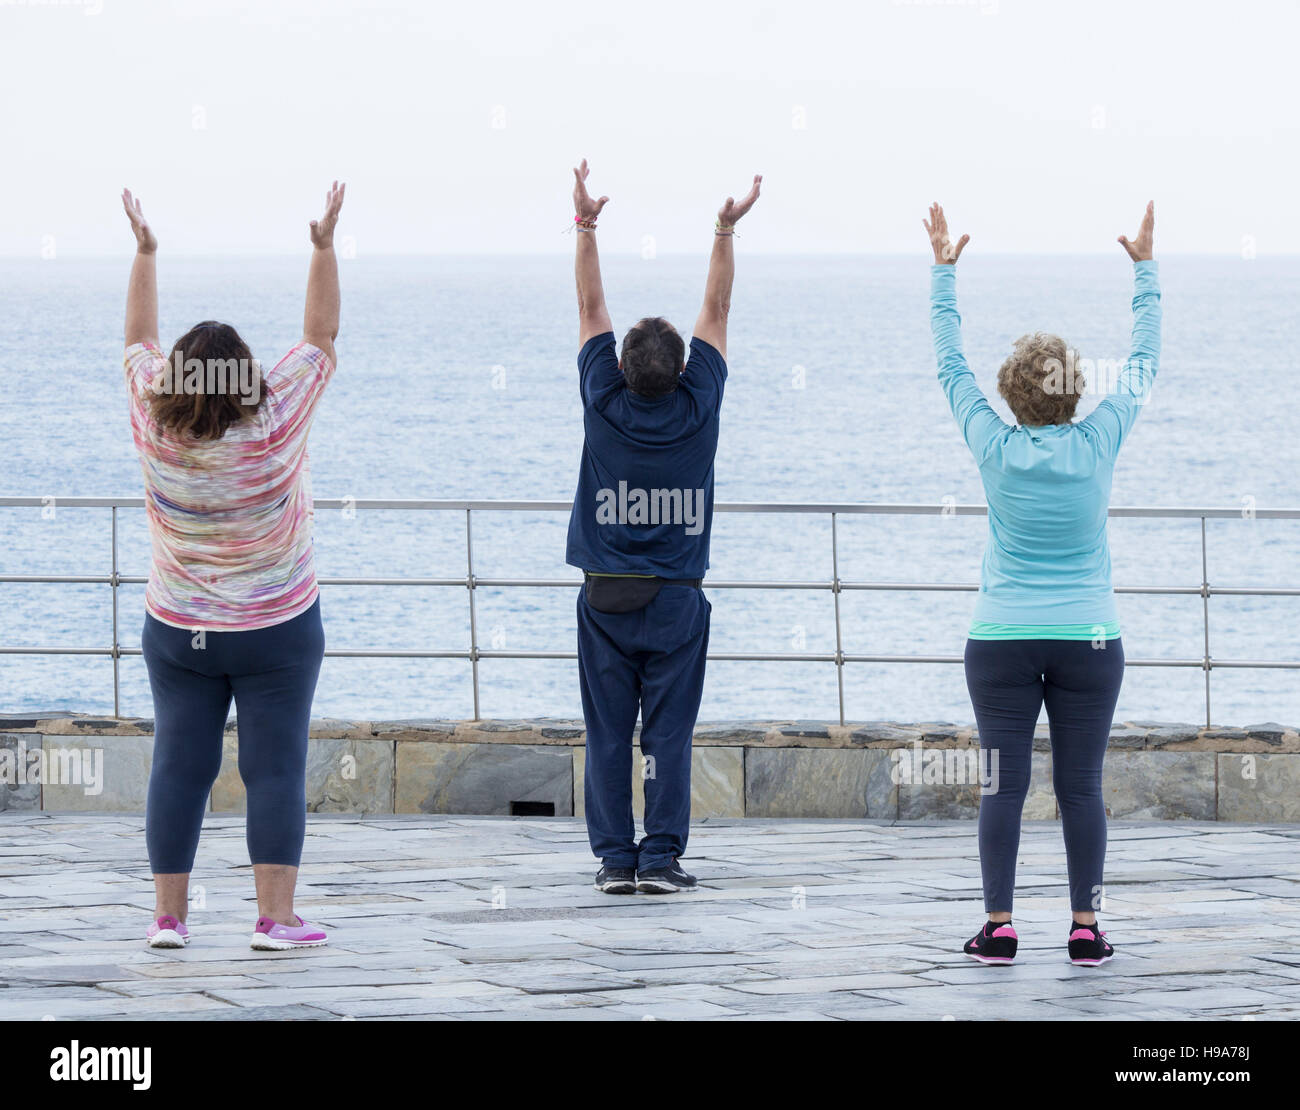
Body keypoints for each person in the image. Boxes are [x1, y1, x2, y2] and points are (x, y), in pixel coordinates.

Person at [923, 201, 1161, 966]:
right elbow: (1146, 361)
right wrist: (1145, 271)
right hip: (1091, 639)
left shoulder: (993, 444)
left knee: (1002, 786)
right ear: (1073, 390)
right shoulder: (1100, 439)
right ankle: (1085, 927)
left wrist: (943, 273)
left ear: (1014, 393)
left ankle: (999, 927)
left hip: (1000, 640)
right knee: (1081, 788)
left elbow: (949, 364)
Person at [120, 182, 345, 951]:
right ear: (246, 377)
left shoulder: (153, 419)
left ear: (180, 378)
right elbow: (320, 337)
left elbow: (137, 339)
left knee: (178, 767)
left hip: (180, 629)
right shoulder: (276, 421)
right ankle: (275, 920)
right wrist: (321, 247)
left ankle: (168, 920)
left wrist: (146, 253)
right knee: (273, 769)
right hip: (276, 629)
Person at [566, 160, 760, 894]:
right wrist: (724, 228)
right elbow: (717, 307)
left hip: (606, 597)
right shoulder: (699, 405)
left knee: (609, 733)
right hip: (677, 599)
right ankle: (660, 860)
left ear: (618, 368)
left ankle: (616, 861)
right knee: (668, 733)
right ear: (682, 372)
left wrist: (585, 223)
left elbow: (590, 305)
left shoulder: (601, 403)